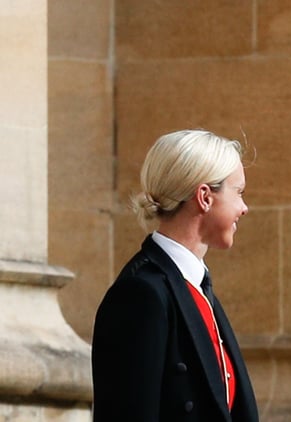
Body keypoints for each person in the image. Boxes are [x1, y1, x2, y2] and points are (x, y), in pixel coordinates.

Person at [91, 129, 259, 421]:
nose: (244, 208)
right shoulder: (140, 294)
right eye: (239, 192)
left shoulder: (197, 288)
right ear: (205, 197)